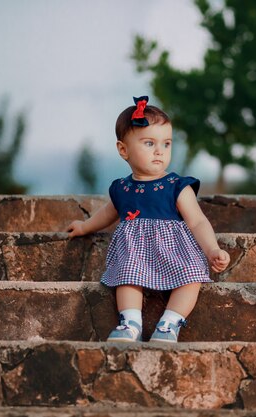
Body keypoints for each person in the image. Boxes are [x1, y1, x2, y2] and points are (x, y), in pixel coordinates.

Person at [67, 96, 230, 343]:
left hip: (175, 251)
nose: (159, 151)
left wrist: (212, 249)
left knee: (192, 275)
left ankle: (169, 323)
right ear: (123, 150)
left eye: (166, 144)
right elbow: (107, 214)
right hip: (136, 253)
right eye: (149, 143)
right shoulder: (122, 188)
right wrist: (84, 226)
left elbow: (197, 221)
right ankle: (130, 322)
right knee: (126, 274)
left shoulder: (177, 185)